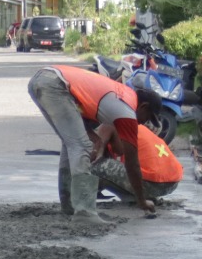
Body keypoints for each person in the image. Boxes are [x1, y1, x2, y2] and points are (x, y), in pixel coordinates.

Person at [27, 64, 161, 218]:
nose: (144, 123)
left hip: (42, 79)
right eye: (148, 118)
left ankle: (69, 206)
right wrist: (142, 201)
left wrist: (95, 137)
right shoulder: (128, 111)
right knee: (81, 146)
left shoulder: (122, 95)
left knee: (71, 142)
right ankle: (85, 212)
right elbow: (132, 163)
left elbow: (80, 115)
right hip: (56, 85)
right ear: (144, 106)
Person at [93, 120, 181, 206]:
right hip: (172, 183)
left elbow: (92, 156)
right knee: (109, 169)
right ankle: (138, 196)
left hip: (152, 184)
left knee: (94, 166)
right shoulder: (136, 128)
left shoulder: (109, 125)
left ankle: (136, 197)